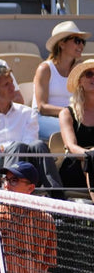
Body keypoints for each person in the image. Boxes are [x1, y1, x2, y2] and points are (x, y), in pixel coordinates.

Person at [0, 66, 62, 189]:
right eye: (6, 84)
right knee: (17, 146)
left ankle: (57, 195)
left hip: (26, 165)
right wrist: (7, 149)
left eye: (12, 82)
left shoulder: (28, 112)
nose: (13, 87)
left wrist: (1, 148)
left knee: (38, 145)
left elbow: (29, 144)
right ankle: (12, 195)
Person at [35, 21, 89, 140]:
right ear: (62, 44)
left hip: (72, 118)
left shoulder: (80, 70)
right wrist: (70, 112)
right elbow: (42, 107)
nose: (81, 46)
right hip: (44, 118)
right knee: (75, 130)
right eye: (77, 41)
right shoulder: (45, 69)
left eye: (83, 42)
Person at [58, 59, 94, 188]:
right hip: (76, 168)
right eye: (89, 74)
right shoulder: (67, 113)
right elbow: (71, 146)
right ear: (80, 81)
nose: (93, 78)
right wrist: (90, 155)